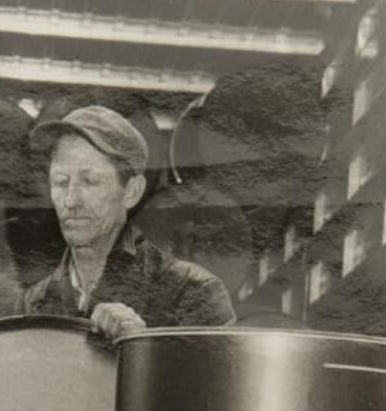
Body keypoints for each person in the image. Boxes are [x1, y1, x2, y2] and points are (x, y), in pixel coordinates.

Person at [22, 105, 235, 341]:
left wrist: (141, 348)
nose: (71, 201)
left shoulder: (193, 293)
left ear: (132, 192)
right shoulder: (31, 304)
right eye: (61, 182)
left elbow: (217, 378)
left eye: (90, 181)